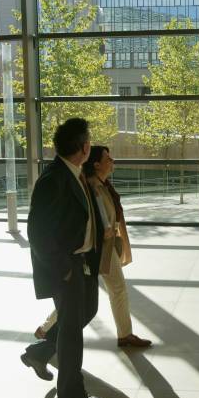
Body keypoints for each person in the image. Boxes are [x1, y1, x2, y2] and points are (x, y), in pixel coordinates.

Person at [20, 118, 104, 398]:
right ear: (83, 147)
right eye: (89, 140)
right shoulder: (54, 178)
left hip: (83, 261)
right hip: (67, 266)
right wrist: (63, 268)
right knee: (71, 331)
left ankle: (40, 351)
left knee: (88, 310)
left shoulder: (76, 173)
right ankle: (70, 392)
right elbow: (38, 232)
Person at [34, 145, 151, 348]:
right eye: (108, 158)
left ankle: (45, 328)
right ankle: (124, 335)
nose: (112, 161)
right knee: (109, 290)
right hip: (97, 248)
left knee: (84, 295)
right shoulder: (91, 187)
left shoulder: (103, 185)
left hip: (105, 245)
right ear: (96, 164)